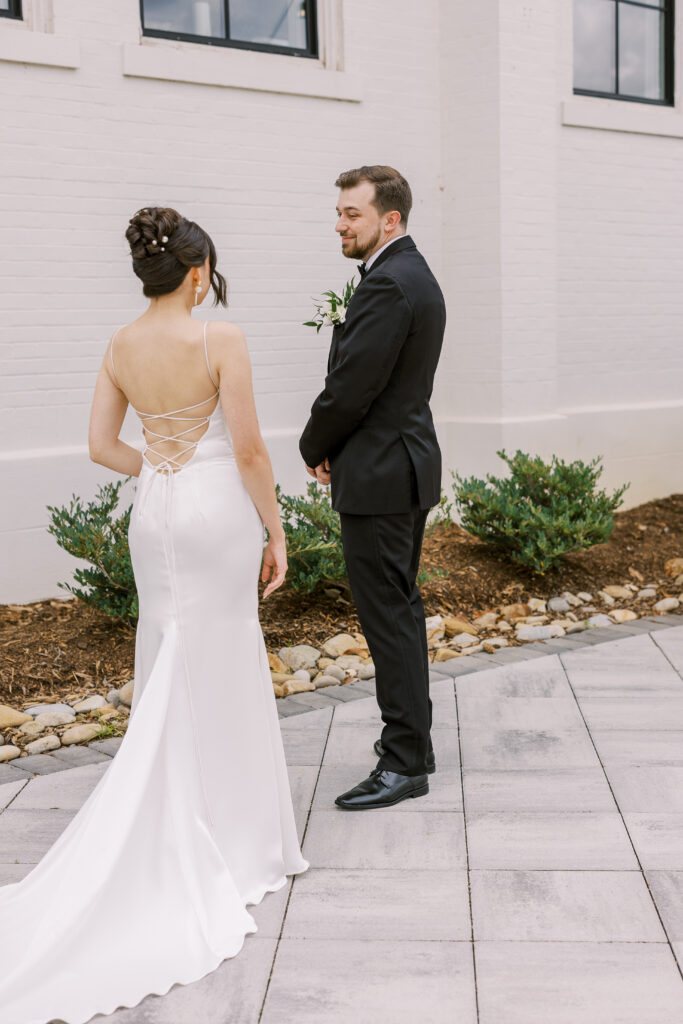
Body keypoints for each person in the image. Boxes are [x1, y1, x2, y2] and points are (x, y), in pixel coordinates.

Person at [0, 207, 308, 1024]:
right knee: (222, 653)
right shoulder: (220, 339)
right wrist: (275, 527)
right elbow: (248, 451)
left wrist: (163, 468)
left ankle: (181, 812)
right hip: (214, 509)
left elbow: (103, 445)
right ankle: (239, 840)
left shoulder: (120, 343)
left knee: (169, 646)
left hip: (158, 508)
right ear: (199, 272)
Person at [299, 165, 447, 810]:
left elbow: (352, 386)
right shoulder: (407, 275)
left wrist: (315, 444)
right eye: (339, 212)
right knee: (399, 610)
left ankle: (404, 761)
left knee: (388, 616)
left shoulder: (390, 283)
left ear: (389, 219)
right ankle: (415, 745)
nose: (339, 223)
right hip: (398, 465)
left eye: (351, 214)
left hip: (383, 474)